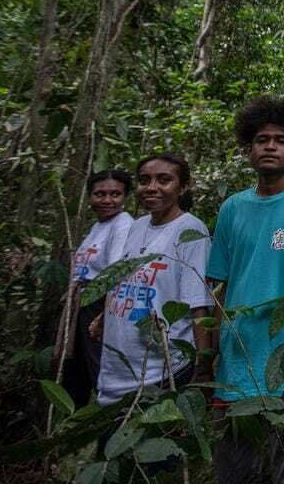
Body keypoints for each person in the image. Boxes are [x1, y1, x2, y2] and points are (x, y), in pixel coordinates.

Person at [207, 96, 284, 484]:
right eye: (262, 139)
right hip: (236, 359)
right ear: (249, 147)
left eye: (280, 139)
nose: (270, 146)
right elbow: (220, 288)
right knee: (235, 468)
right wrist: (211, 353)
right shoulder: (232, 208)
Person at [93, 154, 213, 406]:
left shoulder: (191, 231)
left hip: (159, 372)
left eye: (164, 180)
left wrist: (202, 369)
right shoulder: (137, 226)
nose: (151, 187)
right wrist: (104, 318)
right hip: (117, 369)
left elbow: (198, 305)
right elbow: (128, 278)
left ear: (183, 187)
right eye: (144, 180)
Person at [58, 169, 135, 407]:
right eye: (100, 194)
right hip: (81, 303)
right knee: (75, 371)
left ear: (125, 197)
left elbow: (115, 270)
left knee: (98, 368)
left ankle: (110, 425)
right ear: (90, 196)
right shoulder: (98, 226)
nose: (107, 200)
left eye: (115, 194)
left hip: (100, 303)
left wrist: (105, 314)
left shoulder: (122, 223)